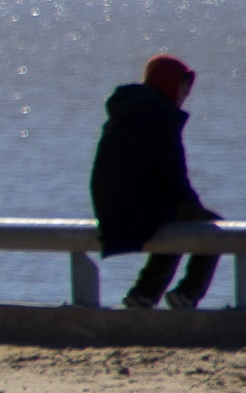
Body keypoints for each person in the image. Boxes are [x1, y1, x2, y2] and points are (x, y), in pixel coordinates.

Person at [89, 52, 219, 311]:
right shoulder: (161, 116)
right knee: (211, 229)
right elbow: (174, 174)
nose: (186, 94)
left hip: (108, 206)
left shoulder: (127, 110)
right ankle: (186, 293)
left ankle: (144, 295)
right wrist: (197, 207)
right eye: (184, 86)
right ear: (170, 85)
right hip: (137, 207)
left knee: (177, 221)